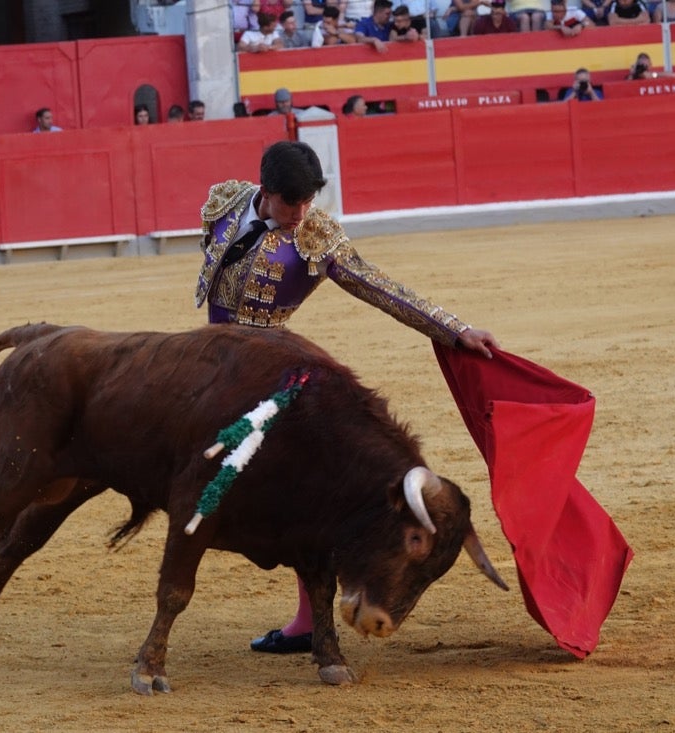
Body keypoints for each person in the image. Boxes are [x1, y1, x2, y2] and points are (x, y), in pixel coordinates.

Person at [194, 141, 500, 655]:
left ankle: (308, 620)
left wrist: (455, 329)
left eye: (309, 203)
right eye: (292, 205)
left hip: (266, 365)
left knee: (297, 493)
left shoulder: (317, 237)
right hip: (208, 360)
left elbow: (382, 288)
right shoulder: (225, 202)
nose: (301, 215)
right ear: (265, 192)